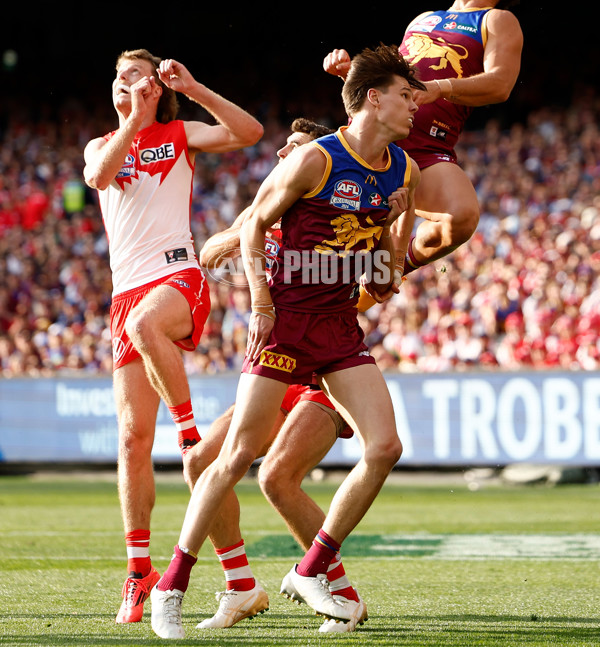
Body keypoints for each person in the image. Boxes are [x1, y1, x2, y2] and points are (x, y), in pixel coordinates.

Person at [149, 43, 422, 638]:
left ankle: (312, 569)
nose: (415, 104)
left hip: (338, 330)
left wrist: (396, 224)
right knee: (232, 458)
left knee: (385, 448)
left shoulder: (405, 170)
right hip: (286, 324)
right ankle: (171, 586)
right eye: (407, 94)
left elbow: (385, 278)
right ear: (374, 98)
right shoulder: (317, 160)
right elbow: (248, 229)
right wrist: (262, 303)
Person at [82, 48, 263, 625]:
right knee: (132, 441)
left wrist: (195, 86)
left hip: (177, 277)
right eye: (117, 76)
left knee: (145, 326)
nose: (122, 82)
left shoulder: (177, 133)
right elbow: (98, 175)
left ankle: (187, 435)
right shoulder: (103, 141)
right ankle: (139, 573)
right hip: (125, 291)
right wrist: (132, 119)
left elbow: (249, 131)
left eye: (133, 75)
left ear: (156, 87)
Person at [185, 118, 364, 633]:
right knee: (201, 462)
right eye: (283, 147)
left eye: (297, 146)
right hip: (275, 369)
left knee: (277, 478)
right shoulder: (269, 209)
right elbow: (211, 254)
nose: (284, 150)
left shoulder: (333, 215)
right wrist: (257, 221)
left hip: (325, 372)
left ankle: (345, 595)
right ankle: (242, 587)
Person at [324, 0, 527, 277]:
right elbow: (391, 82)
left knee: (460, 217)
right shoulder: (423, 19)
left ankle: (389, 271)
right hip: (372, 136)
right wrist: (351, 74)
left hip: (426, 148)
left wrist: (440, 88)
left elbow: (500, 84)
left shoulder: (496, 20)